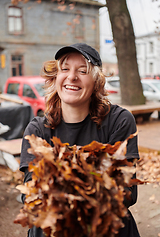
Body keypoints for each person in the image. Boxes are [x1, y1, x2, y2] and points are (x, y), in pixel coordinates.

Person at [20, 43, 140, 237]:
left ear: (96, 82)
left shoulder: (119, 121)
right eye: (64, 69)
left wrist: (61, 188)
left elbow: (126, 192)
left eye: (82, 71)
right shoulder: (37, 130)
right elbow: (31, 195)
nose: (72, 76)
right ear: (55, 78)